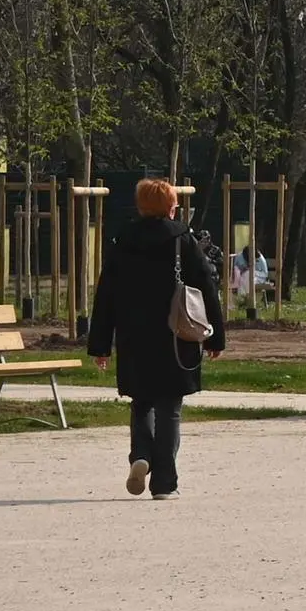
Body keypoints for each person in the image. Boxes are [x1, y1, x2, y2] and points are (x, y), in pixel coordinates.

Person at [87, 176, 226, 499]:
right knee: (169, 409)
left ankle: (141, 456)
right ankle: (164, 482)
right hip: (175, 335)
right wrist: (215, 336)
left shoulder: (123, 241)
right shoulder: (182, 241)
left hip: (133, 336)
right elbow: (206, 287)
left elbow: (106, 294)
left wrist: (100, 344)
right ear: (170, 207)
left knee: (142, 402)